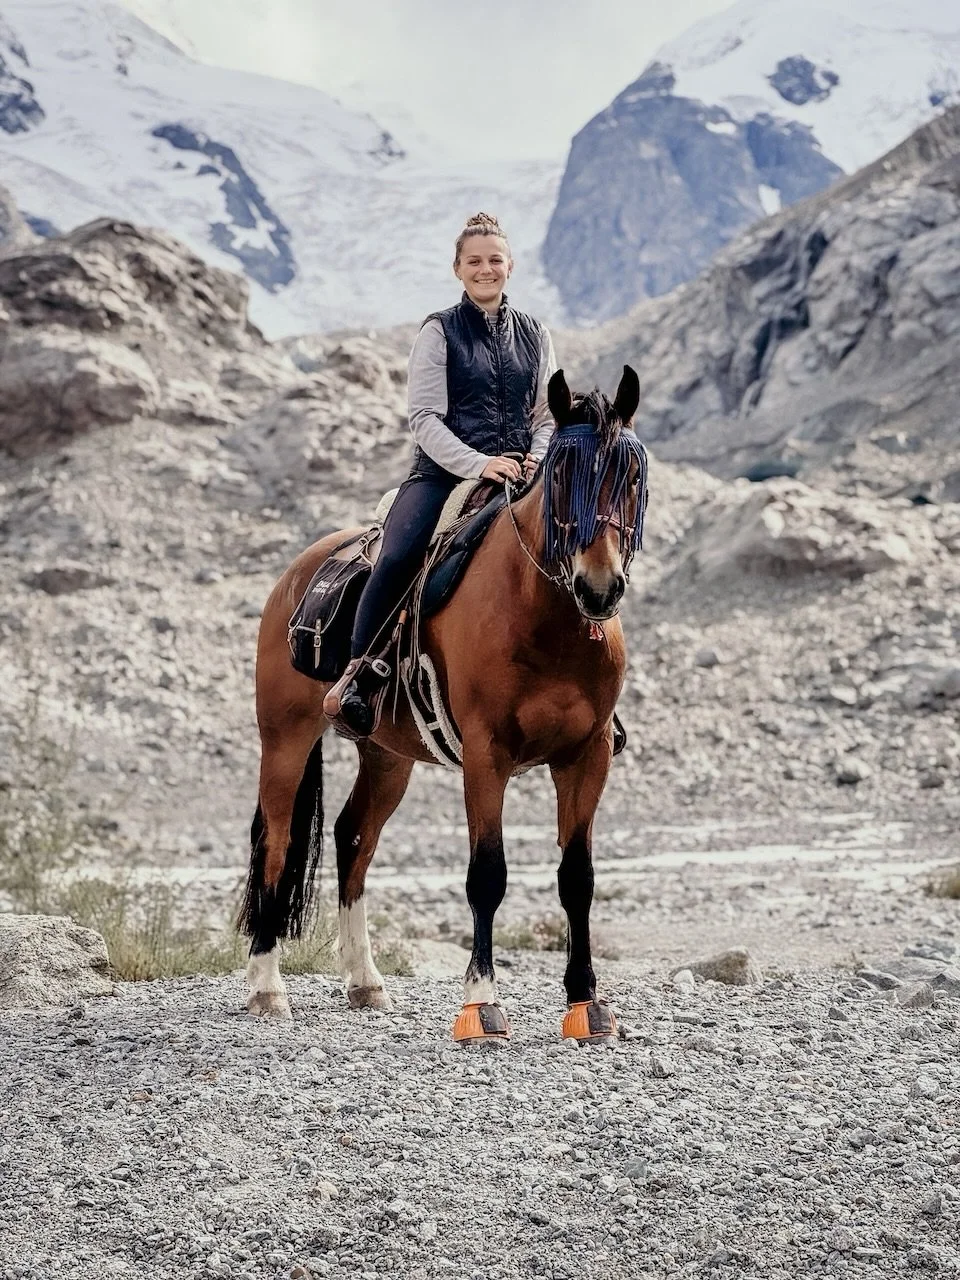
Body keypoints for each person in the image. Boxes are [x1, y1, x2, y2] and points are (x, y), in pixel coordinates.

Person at [323, 211, 558, 737]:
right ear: (457, 269)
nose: (485, 269)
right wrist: (479, 464)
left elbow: (546, 414)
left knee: (574, 544)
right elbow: (424, 419)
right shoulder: (439, 331)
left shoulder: (537, 334)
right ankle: (359, 676)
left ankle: (588, 692)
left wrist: (537, 459)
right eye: (474, 261)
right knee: (401, 553)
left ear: (510, 266)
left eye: (495, 260)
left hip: (521, 474)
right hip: (443, 476)